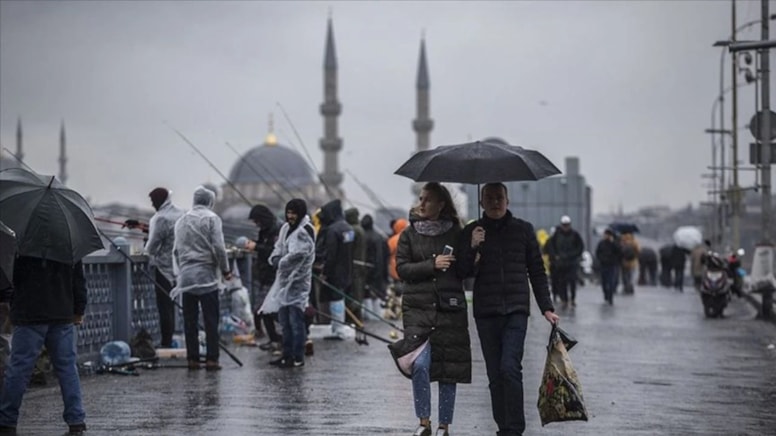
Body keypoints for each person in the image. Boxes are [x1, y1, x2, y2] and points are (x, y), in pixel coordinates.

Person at [458, 182, 559, 436]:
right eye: (489, 198)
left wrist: (546, 307)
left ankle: (514, 429)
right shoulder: (473, 231)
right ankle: (503, 426)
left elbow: (536, 270)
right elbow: (461, 272)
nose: (495, 202)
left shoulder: (523, 230)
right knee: (495, 375)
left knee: (509, 367)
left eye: (499, 197)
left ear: (507, 200)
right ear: (481, 203)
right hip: (486, 311)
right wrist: (472, 246)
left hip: (516, 309)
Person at [389, 182, 471, 436]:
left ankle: (443, 426)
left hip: (449, 308)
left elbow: (467, 271)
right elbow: (402, 269)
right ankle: (423, 422)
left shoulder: (457, 233)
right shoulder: (409, 234)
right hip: (418, 308)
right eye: (421, 198)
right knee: (421, 365)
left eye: (428, 200)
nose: (421, 204)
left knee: (448, 369)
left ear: (441, 204)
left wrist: (475, 248)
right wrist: (431, 264)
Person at [0, 256, 88, 434]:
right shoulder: (68, 238)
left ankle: (7, 421)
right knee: (67, 368)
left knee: (19, 368)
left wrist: (12, 301)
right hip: (61, 312)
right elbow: (78, 279)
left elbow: (9, 278)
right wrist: (79, 309)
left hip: (28, 313)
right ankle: (76, 421)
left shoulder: (22, 239)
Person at [172, 186, 231, 371]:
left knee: (190, 321)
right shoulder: (212, 219)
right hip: (207, 277)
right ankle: (212, 359)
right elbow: (219, 248)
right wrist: (226, 270)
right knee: (210, 320)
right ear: (210, 201)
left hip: (187, 279)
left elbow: (175, 250)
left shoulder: (181, 221)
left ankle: (193, 360)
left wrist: (183, 270)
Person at [267, 199, 316, 368]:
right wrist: (274, 257)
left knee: (296, 321)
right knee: (284, 321)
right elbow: (279, 247)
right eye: (288, 212)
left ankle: (297, 356)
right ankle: (286, 355)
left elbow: (298, 254)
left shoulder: (304, 231)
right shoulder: (286, 228)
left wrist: (280, 262)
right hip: (284, 282)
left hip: (297, 283)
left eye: (293, 213)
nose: (290, 216)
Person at [144, 187, 184, 348]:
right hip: (180, 268)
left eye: (153, 201)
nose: (153, 205)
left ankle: (166, 342)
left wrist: (146, 244)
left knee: (164, 308)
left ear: (160, 200)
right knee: (173, 306)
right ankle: (172, 338)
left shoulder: (161, 218)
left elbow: (152, 247)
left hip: (164, 269)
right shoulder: (179, 214)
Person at [244, 204, 283, 354]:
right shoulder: (266, 230)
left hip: (274, 276)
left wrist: (256, 247)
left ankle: (283, 336)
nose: (256, 224)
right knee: (264, 309)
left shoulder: (276, 229)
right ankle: (274, 339)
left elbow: (274, 252)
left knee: (265, 308)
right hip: (265, 275)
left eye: (257, 221)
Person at [313, 199, 354, 340]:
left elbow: (331, 255)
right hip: (346, 269)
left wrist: (325, 272)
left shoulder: (332, 230)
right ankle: (339, 328)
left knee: (335, 299)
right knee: (340, 298)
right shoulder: (347, 228)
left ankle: (338, 330)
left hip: (335, 271)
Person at [544, 215, 584, 308]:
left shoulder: (575, 235)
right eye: (564, 225)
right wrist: (555, 257)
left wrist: (574, 256)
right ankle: (564, 299)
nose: (565, 227)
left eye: (567, 225)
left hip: (572, 263)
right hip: (561, 264)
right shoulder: (556, 235)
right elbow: (551, 247)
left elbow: (580, 247)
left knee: (572, 281)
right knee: (562, 282)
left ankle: (573, 299)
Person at [361, 214, 389, 321]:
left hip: (367, 269)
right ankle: (377, 317)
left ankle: (370, 317)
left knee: (367, 294)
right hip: (380, 269)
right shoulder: (380, 237)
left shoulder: (364, 236)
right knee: (377, 294)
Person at [344, 207, 367, 320]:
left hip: (353, 266)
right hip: (360, 264)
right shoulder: (360, 229)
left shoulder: (352, 230)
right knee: (358, 292)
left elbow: (347, 246)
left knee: (354, 293)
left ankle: (355, 318)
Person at [595, 229, 622, 304]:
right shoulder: (601, 243)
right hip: (603, 265)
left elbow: (619, 252)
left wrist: (613, 242)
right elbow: (598, 252)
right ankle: (606, 294)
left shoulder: (614, 243)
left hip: (612, 265)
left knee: (611, 282)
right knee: (604, 282)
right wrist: (600, 259)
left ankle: (610, 297)